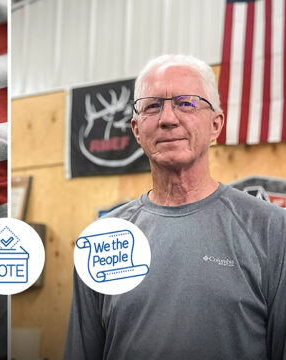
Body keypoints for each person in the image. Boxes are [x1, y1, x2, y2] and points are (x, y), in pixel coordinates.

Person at [64, 54, 286, 359]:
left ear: (215, 125)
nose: (168, 118)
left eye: (187, 103)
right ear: (137, 129)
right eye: (152, 106)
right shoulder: (102, 239)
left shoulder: (272, 229)